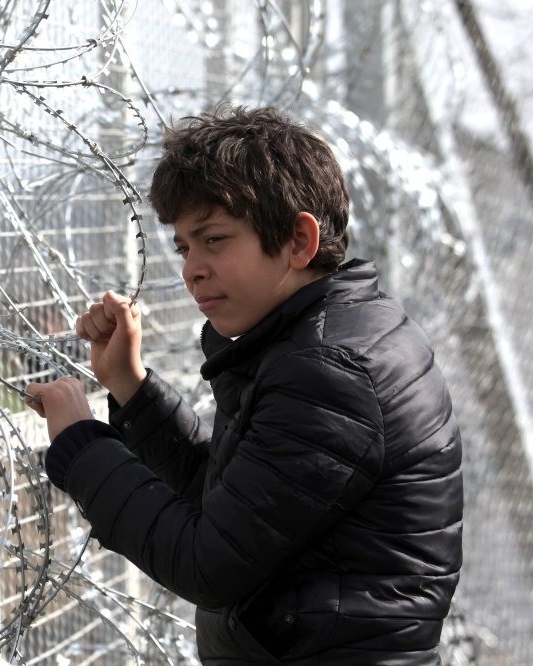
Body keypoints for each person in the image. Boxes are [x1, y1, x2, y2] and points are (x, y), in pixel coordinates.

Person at [26, 106, 463, 664]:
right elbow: (237, 502)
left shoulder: (329, 369)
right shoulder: (319, 339)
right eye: (185, 247)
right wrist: (132, 390)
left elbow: (209, 562)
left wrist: (82, 447)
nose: (191, 270)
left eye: (214, 240)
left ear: (299, 241)